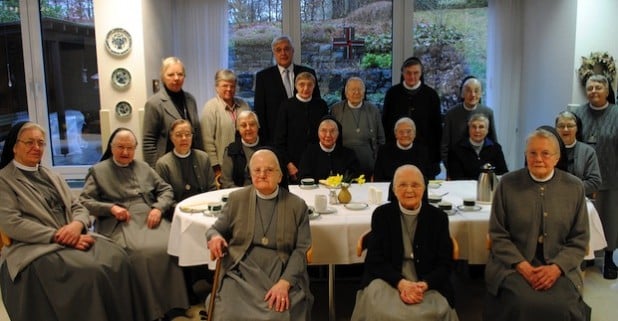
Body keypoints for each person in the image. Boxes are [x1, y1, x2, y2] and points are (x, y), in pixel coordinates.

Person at [0, 122, 144, 321]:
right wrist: (59, 236)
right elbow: (12, 224)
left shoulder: (51, 175)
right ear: (14, 147)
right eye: (30, 142)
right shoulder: (4, 180)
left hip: (72, 234)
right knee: (91, 272)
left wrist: (77, 226)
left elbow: (78, 206)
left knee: (118, 257)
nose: (36, 148)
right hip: (35, 247)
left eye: (41, 143)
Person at [80, 128, 189, 321]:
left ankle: (175, 304)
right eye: (120, 147)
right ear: (111, 147)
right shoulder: (98, 171)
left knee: (171, 244)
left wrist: (158, 208)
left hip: (149, 214)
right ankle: (151, 310)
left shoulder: (144, 167)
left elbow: (166, 190)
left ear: (135, 148)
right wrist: (111, 208)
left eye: (129, 148)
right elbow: (85, 200)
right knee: (141, 253)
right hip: (119, 220)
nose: (125, 152)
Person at [484, 129, 590, 321]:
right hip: (514, 264)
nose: (538, 159)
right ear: (526, 155)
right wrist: (522, 266)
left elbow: (580, 239)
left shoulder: (574, 187)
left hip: (559, 264)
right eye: (532, 153)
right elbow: (498, 235)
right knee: (522, 302)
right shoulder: (507, 184)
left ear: (557, 158)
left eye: (545, 153)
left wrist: (557, 268)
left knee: (563, 305)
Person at [206, 149, 313, 321]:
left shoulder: (297, 206)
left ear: (279, 176)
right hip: (240, 271)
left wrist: (285, 282)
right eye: (257, 170)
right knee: (228, 312)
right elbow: (214, 229)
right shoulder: (236, 199)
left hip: (280, 271)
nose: (262, 174)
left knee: (277, 314)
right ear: (250, 173)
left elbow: (302, 249)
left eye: (269, 170)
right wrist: (214, 238)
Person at [350, 165, 458, 321]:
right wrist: (401, 283)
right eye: (402, 185)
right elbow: (374, 260)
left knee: (434, 311)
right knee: (381, 311)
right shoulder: (381, 215)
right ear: (393, 189)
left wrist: (424, 285)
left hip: (427, 280)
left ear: (424, 188)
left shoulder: (438, 217)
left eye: (415, 185)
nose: (409, 190)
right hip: (388, 278)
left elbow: (445, 264)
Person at [155, 119, 217, 304]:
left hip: (206, 214)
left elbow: (212, 189)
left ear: (192, 136)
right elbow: (163, 197)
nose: (183, 138)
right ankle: (188, 288)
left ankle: (214, 280)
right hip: (177, 217)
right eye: (179, 135)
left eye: (187, 134)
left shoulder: (203, 158)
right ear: (171, 138)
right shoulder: (163, 164)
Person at [573, 74, 618, 279]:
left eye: (599, 87)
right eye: (590, 88)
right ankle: (585, 257)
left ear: (607, 91)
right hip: (583, 176)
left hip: (611, 175)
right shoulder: (577, 114)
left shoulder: (616, 113)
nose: (594, 91)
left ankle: (609, 259)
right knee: (581, 219)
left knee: (610, 219)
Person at [382, 57, 441, 178]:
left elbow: (437, 129)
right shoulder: (393, 94)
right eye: (408, 73)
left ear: (421, 73)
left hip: (425, 156)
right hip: (396, 154)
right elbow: (386, 125)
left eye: (416, 73)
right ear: (402, 73)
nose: (412, 76)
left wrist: (436, 159)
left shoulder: (431, 95)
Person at [254, 35, 321, 144]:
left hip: (306, 139)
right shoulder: (263, 77)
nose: (283, 53)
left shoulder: (308, 73)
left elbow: (316, 104)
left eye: (286, 49)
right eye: (278, 50)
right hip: (276, 139)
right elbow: (260, 112)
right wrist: (265, 141)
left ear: (293, 51)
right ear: (274, 53)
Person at [143, 56, 204, 167]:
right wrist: (154, 170)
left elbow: (196, 134)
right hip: (167, 165)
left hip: (191, 161)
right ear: (163, 77)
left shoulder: (190, 100)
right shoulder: (154, 103)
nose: (176, 78)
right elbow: (148, 142)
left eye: (180, 74)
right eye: (171, 75)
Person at [274, 71, 328, 183]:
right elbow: (279, 140)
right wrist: (288, 164)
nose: (305, 88)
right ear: (296, 86)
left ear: (314, 86)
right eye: (302, 84)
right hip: (293, 164)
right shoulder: (286, 106)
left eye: (309, 85)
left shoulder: (321, 106)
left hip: (317, 163)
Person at [330, 77, 385, 178]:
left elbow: (381, 140)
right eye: (353, 89)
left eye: (360, 89)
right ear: (346, 93)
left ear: (364, 93)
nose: (356, 92)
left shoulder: (373, 111)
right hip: (342, 164)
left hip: (368, 163)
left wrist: (378, 168)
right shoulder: (336, 110)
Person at [200, 69, 250, 177]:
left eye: (232, 86)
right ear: (217, 87)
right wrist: (216, 168)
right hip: (222, 166)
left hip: (245, 163)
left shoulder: (244, 105)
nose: (229, 89)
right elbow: (207, 141)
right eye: (225, 86)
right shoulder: (210, 108)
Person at [441, 76, 497, 165]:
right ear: (462, 94)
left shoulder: (488, 113)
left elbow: (493, 143)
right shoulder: (451, 114)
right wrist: (449, 167)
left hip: (483, 165)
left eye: (476, 91)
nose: (473, 94)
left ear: (481, 93)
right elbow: (445, 146)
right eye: (468, 90)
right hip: (456, 165)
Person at [447, 114, 508, 180]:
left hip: (489, 187)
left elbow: (503, 174)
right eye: (473, 127)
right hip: (465, 188)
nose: (477, 130)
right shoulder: (456, 149)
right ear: (469, 129)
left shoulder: (496, 148)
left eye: (481, 127)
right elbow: (456, 177)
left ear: (487, 130)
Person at [554, 110, 601, 196]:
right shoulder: (549, 150)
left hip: (580, 199)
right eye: (561, 126)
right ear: (556, 129)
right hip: (553, 197)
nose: (565, 129)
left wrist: (570, 189)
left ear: (577, 128)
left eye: (570, 126)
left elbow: (595, 181)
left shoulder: (588, 151)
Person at [298, 116, 359, 181]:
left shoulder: (349, 154)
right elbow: (304, 178)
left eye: (332, 131)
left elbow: (354, 178)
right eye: (323, 131)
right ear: (318, 132)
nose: (328, 135)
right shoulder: (308, 154)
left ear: (338, 133)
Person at [373, 117, 431, 183]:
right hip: (389, 189)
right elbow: (378, 178)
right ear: (395, 134)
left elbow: (427, 178)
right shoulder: (384, 151)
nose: (405, 135)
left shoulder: (423, 151)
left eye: (409, 131)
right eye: (401, 132)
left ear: (414, 134)